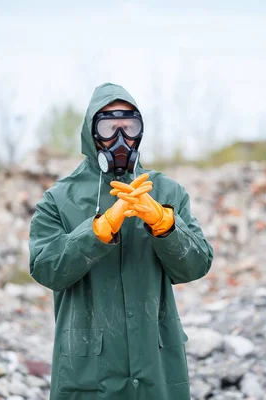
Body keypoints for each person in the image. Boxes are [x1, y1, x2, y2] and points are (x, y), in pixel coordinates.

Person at [28, 82, 213, 399]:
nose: (120, 139)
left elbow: (196, 266)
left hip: (155, 365)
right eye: (109, 128)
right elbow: (45, 270)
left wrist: (166, 225)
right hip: (88, 369)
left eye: (130, 128)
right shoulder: (59, 199)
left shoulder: (167, 192)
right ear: (91, 132)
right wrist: (95, 233)